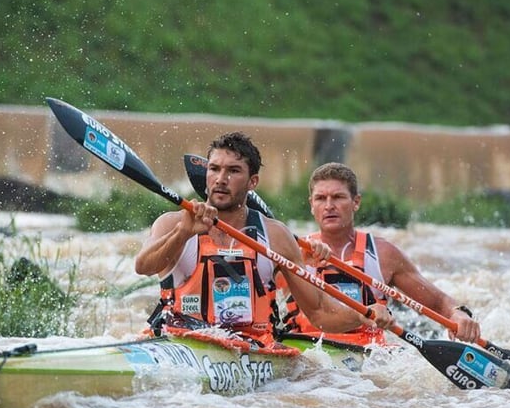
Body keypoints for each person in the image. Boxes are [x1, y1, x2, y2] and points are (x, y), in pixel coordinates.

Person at [134, 132, 391, 348]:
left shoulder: (276, 236)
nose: (221, 179)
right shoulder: (173, 222)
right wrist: (184, 233)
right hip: (181, 342)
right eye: (214, 169)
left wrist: (364, 314)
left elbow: (319, 314)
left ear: (252, 182)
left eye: (233, 171)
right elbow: (143, 266)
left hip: (255, 349)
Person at [280, 163, 481, 347]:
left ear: (356, 202)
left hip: (370, 357)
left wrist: (458, 314)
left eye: (338, 197)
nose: (329, 205)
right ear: (311, 204)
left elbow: (438, 302)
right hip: (307, 350)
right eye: (321, 198)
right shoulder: (291, 250)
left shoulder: (383, 254)